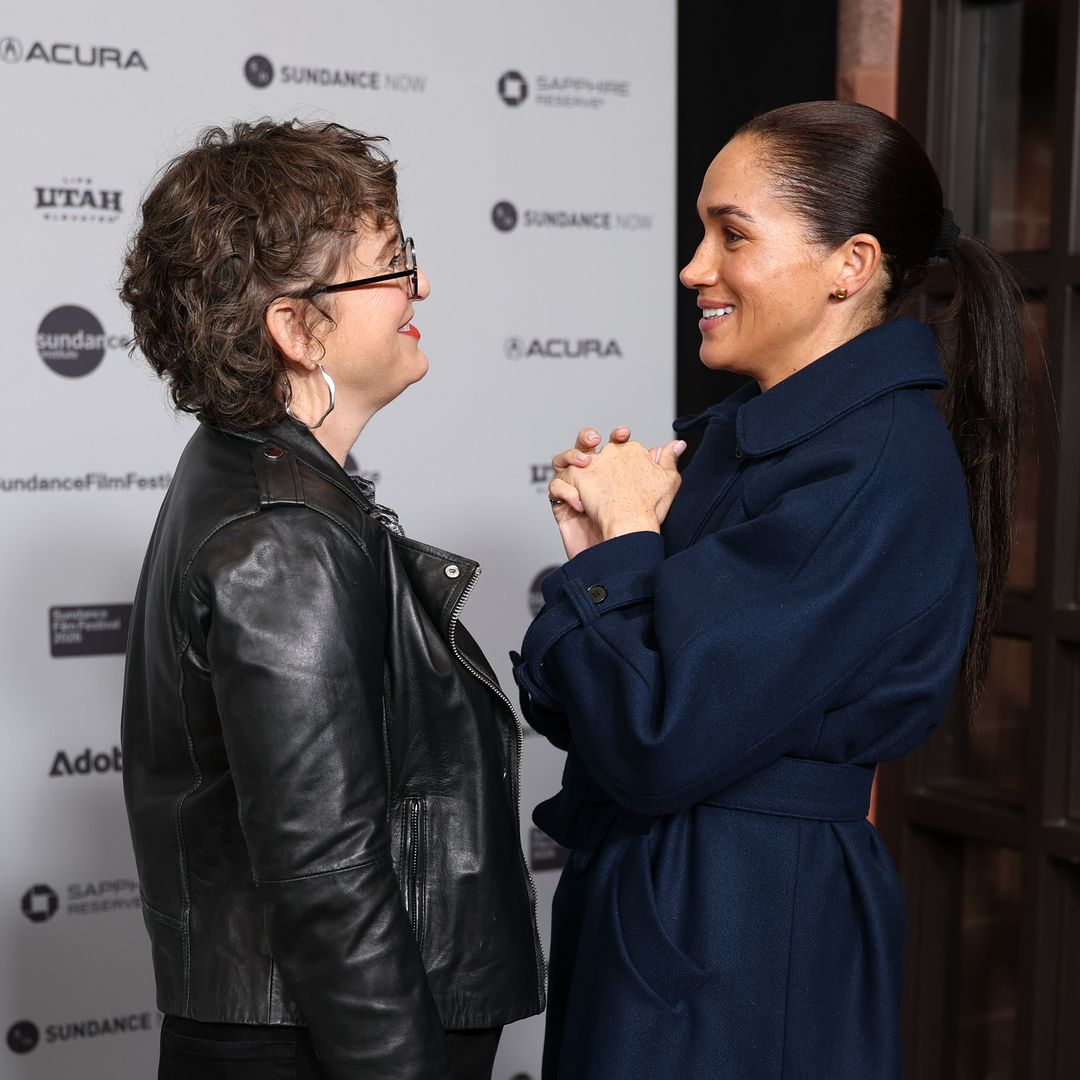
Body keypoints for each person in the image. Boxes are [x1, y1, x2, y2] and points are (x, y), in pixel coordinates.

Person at [512, 100, 1026, 1080]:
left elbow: (659, 737)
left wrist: (618, 553)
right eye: (702, 230)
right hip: (685, 904)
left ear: (852, 264)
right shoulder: (750, 436)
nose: (694, 268)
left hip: (746, 928)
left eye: (731, 234)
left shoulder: (868, 468)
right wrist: (599, 555)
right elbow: (617, 715)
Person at [119, 119, 544, 1080]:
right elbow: (327, 878)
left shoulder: (254, 483)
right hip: (318, 1049)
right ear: (298, 327)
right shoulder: (283, 535)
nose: (419, 289)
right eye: (394, 266)